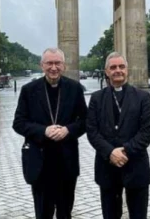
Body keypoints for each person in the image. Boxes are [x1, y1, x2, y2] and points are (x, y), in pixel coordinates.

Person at [13, 47, 88, 219]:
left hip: (66, 163)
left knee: (65, 213)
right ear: (42, 65)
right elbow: (18, 123)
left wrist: (68, 130)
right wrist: (43, 131)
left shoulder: (75, 88)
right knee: (43, 214)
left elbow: (85, 121)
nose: (53, 67)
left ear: (64, 65)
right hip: (40, 163)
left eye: (57, 63)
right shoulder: (29, 90)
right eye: (49, 63)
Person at [87, 52, 150, 219]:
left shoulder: (143, 97)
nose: (118, 70)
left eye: (121, 66)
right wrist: (110, 152)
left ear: (127, 70)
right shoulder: (96, 98)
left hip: (136, 166)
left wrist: (124, 151)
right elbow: (92, 131)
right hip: (107, 167)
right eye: (113, 67)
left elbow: (146, 132)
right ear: (106, 72)